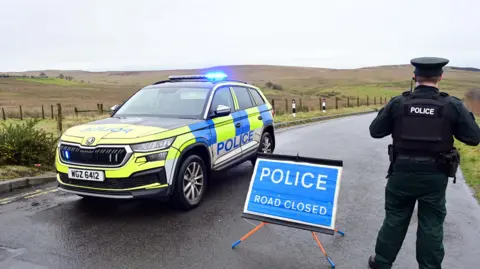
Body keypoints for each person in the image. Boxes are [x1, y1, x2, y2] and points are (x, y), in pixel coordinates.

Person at [367, 57, 480, 269]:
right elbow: (474, 138)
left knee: (395, 219)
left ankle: (381, 263)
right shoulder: (452, 105)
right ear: (440, 77)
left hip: (401, 173)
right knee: (431, 224)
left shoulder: (398, 102)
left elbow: (375, 131)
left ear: (415, 77)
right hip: (435, 176)